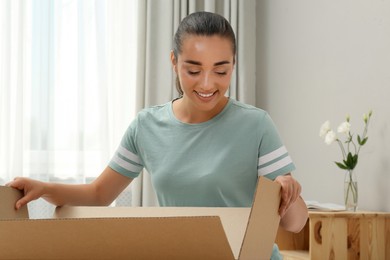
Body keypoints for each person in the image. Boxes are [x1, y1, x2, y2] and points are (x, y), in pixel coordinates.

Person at [7, 11, 308, 259]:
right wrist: (43, 188)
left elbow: (296, 224)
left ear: (233, 65)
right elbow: (98, 195)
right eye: (193, 70)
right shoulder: (147, 126)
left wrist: (287, 191)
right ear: (174, 61)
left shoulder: (256, 125)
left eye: (221, 70)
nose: (207, 83)